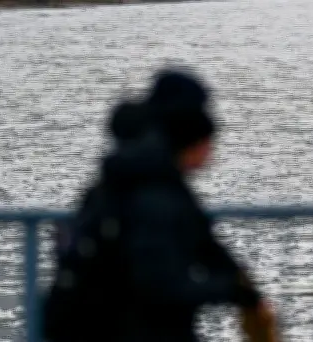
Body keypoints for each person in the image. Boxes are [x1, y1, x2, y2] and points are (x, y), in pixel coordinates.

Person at [42, 69, 280, 342]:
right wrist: (234, 292)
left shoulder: (137, 176)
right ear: (193, 140)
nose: (211, 156)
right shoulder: (155, 192)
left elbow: (202, 241)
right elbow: (159, 284)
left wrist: (241, 287)